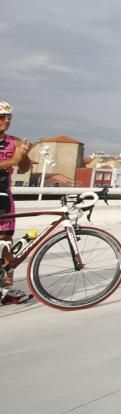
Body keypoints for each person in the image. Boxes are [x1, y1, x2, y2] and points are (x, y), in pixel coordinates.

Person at [0, 101, 34, 305]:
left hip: (3, 196)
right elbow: (12, 164)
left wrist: (23, 155)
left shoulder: (14, 141)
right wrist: (11, 161)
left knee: (5, 244)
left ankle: (6, 290)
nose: (6, 121)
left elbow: (23, 168)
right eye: (2, 117)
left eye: (9, 117)